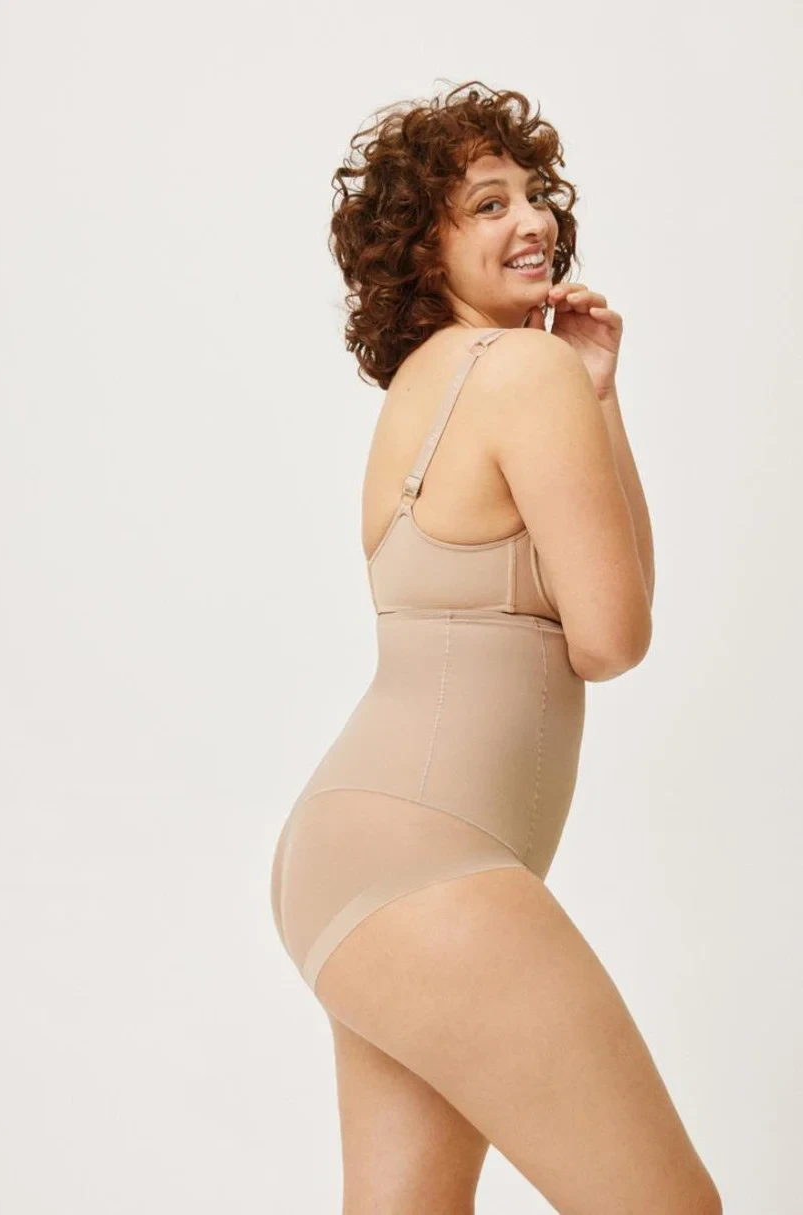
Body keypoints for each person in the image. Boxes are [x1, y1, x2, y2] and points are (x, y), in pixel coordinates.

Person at [269, 81, 722, 1215]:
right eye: (487, 203)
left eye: (533, 193)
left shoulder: (426, 388)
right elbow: (612, 636)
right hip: (430, 866)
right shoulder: (523, 371)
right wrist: (577, 387)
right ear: (423, 250)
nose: (533, 220)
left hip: (346, 857)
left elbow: (600, 600)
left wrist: (599, 395)